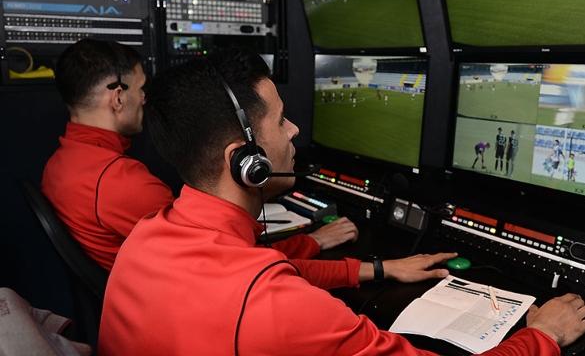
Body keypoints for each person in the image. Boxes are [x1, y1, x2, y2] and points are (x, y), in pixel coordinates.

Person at [99, 50, 585, 355]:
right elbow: (269, 294)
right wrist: (543, 337)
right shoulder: (275, 306)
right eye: (280, 121)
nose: (294, 130)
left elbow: (270, 269)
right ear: (245, 160)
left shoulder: (147, 236)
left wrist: (378, 269)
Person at [41, 39, 357, 271]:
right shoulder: (121, 183)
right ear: (118, 98)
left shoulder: (60, 164)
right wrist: (315, 241)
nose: (145, 99)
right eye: (141, 89)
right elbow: (233, 261)